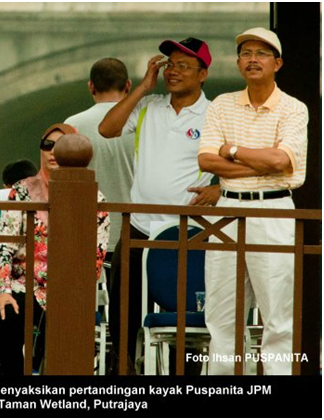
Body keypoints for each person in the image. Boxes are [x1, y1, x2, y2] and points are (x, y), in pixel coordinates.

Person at [98, 37, 219, 374]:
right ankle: (123, 368)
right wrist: (141, 88)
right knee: (124, 308)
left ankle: (186, 375)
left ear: (203, 74)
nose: (173, 72)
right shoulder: (148, 106)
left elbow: (236, 163)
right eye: (170, 65)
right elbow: (107, 129)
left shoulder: (215, 114)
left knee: (185, 313)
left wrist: (219, 187)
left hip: (187, 230)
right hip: (139, 226)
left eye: (184, 66)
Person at [198, 28, 308, 375]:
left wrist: (231, 150)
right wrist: (263, 163)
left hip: (273, 209)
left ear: (278, 63)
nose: (252, 59)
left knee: (277, 313)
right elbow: (206, 161)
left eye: (261, 53)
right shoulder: (221, 104)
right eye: (246, 53)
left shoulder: (294, 108)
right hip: (228, 209)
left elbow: (281, 161)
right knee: (222, 313)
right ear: (238, 63)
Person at [0, 123, 110, 375]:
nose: (53, 151)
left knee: (66, 333)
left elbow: (93, 260)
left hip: (66, 287)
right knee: (4, 316)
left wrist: (70, 292)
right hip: (21, 283)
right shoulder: (21, 191)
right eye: (48, 145)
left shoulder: (94, 199)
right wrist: (2, 291)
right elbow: (3, 248)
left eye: (62, 145)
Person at [64, 57, 135, 268]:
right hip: (136, 230)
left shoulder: (72, 125)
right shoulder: (143, 121)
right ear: (128, 85)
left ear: (91, 86)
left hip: (87, 231)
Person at [0, 159, 37, 228]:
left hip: (11, 234)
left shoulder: (1, 194)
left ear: (7, 185)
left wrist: (6, 216)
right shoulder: (41, 193)